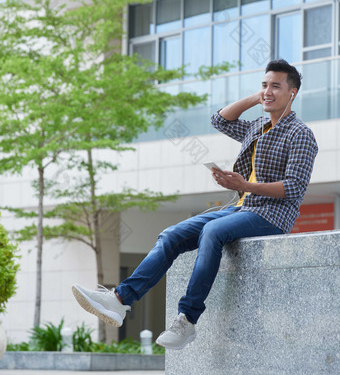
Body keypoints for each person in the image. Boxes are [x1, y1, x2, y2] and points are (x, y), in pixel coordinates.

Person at [72, 59, 318, 350]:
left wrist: (244, 185)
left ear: (293, 92)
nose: (267, 91)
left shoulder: (300, 134)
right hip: (240, 207)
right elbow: (220, 120)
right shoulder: (258, 126)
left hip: (272, 215)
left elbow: (293, 188)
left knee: (212, 232)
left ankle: (187, 320)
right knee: (171, 234)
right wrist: (261, 96)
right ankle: (119, 300)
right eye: (264, 84)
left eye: (276, 86)